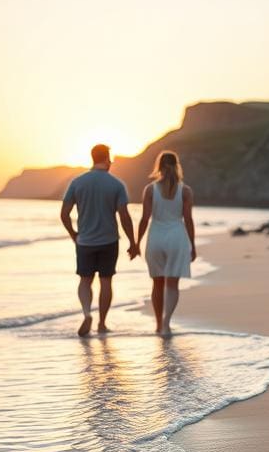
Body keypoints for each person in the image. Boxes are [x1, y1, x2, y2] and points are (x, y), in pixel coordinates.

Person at [60, 144, 138, 336]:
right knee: (106, 282)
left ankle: (87, 313)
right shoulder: (117, 184)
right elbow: (124, 216)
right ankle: (102, 324)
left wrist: (73, 234)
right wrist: (133, 242)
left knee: (85, 280)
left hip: (84, 241)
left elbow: (64, 214)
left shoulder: (77, 182)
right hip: (109, 240)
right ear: (107, 159)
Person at [135, 151, 196, 337]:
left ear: (158, 166)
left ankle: (158, 324)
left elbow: (144, 219)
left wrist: (137, 242)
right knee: (172, 283)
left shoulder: (150, 189)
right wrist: (192, 244)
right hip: (176, 237)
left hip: (156, 237)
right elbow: (188, 220)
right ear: (177, 165)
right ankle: (167, 323)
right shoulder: (185, 190)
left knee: (157, 283)